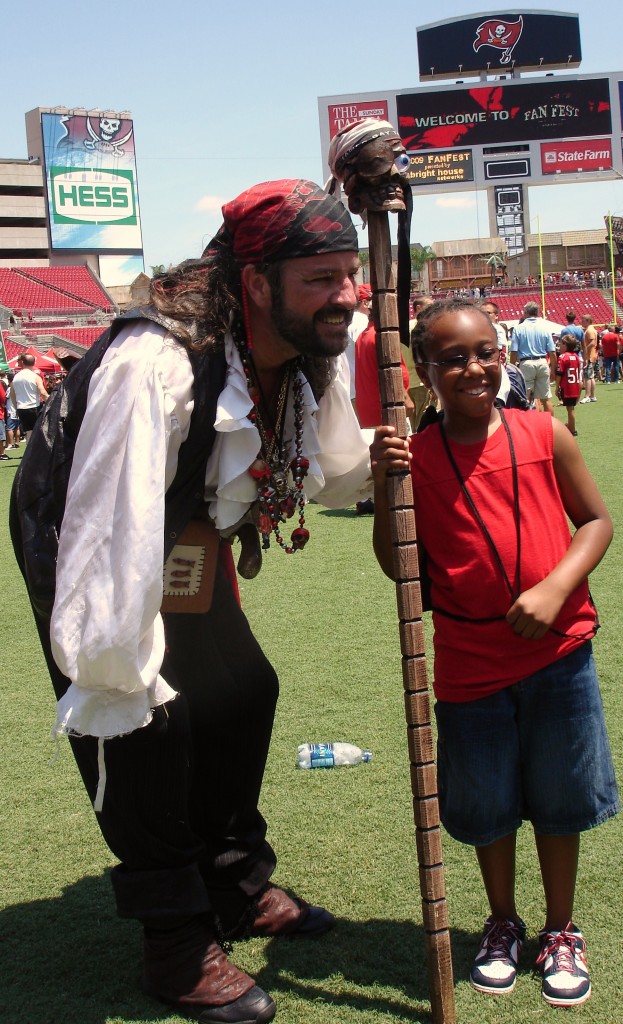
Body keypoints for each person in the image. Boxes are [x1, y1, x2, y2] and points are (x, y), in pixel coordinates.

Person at [11, 179, 374, 1024]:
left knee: (244, 690)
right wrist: (113, 665)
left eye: (348, 273)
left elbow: (333, 471)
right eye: (321, 278)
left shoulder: (305, 345)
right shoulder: (157, 361)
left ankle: (234, 885)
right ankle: (174, 941)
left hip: (188, 528)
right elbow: (111, 520)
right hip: (91, 520)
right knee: (141, 719)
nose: (345, 295)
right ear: (255, 281)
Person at [370, 298, 618, 1009]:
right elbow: (400, 573)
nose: (472, 367)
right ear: (423, 370)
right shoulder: (413, 457)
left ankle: (560, 928)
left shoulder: (543, 433)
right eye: (451, 358)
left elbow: (595, 522)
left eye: (483, 351)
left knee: (560, 795)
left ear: (501, 353)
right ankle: (502, 922)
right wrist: (388, 490)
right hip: (468, 664)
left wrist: (555, 587)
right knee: (486, 802)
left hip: (557, 653)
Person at [509, 301, 557, 413]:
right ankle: (550, 426)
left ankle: (530, 426)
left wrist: (511, 368)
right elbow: (552, 351)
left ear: (525, 312)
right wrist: (553, 369)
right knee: (546, 399)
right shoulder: (545, 327)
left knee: (526, 397)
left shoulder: (519, 328)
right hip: (542, 361)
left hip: (526, 364)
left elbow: (514, 351)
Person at [10, 352, 48, 439]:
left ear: (22, 363)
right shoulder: (35, 377)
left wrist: (16, 408)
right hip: (34, 407)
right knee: (39, 432)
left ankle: (30, 450)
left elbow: (13, 394)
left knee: (29, 433)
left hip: (21, 409)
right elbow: (43, 393)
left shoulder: (16, 377)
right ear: (34, 363)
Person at [556, 335, 582, 436]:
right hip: (575, 386)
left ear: (565, 345)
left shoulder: (563, 357)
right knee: (571, 408)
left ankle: (572, 429)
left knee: (570, 409)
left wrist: (557, 386)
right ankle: (571, 426)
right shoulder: (576, 357)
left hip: (567, 387)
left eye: (561, 344)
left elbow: (559, 373)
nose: (559, 347)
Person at [579, 315, 598, 403]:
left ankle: (587, 395)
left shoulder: (589, 330)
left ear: (588, 321)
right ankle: (592, 395)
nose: (582, 322)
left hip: (590, 356)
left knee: (587, 377)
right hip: (592, 355)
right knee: (591, 377)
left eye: (583, 321)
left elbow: (592, 342)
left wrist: (584, 349)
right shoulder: (591, 329)